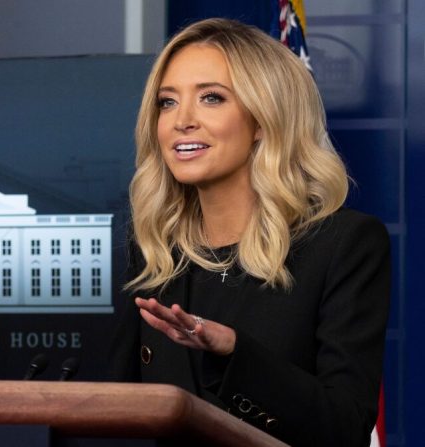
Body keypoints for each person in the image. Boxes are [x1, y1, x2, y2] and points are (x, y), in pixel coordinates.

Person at [109, 18, 390, 446]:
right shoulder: (152, 248)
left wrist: (234, 353)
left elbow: (344, 427)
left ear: (263, 120)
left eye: (211, 98)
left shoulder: (343, 244)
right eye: (167, 102)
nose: (182, 120)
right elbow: (116, 406)